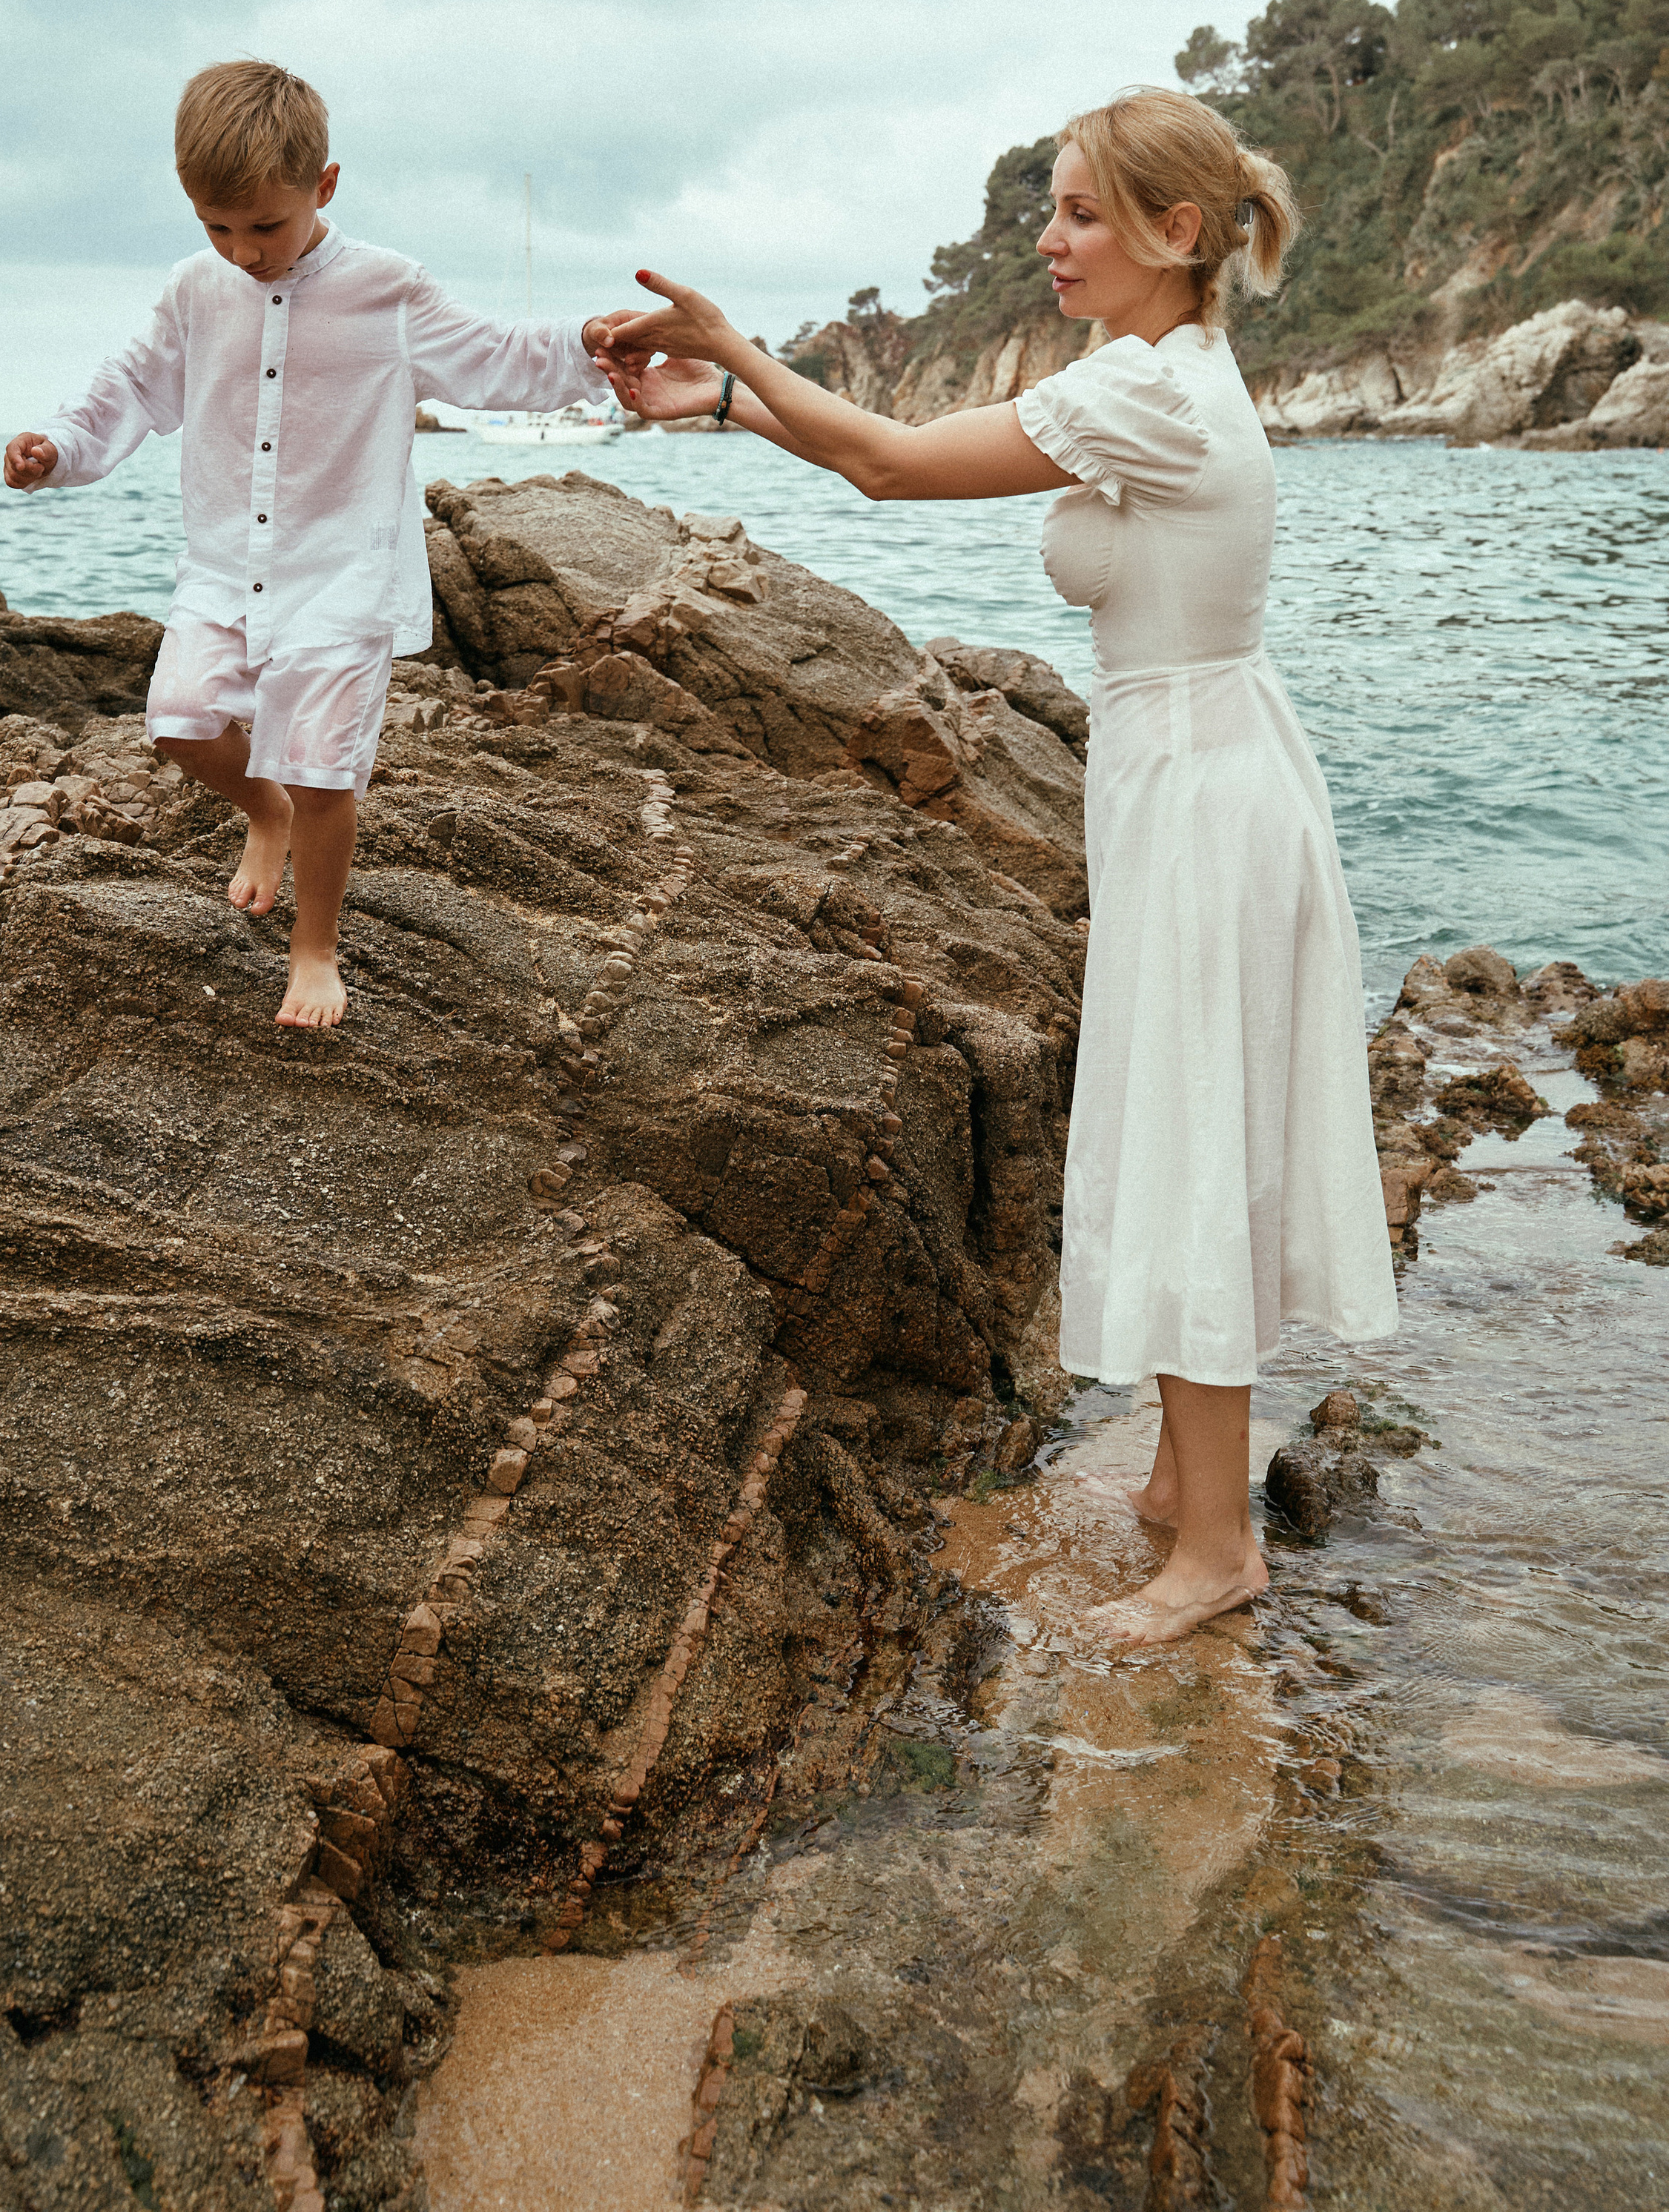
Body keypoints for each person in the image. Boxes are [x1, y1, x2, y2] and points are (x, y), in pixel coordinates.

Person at [594, 85, 1398, 1647]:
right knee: (1188, 1113)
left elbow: (890, 465)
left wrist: (734, 349)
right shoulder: (1150, 367)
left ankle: (1215, 1545)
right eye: (1050, 205)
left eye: (1079, 211)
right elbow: (886, 451)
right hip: (1194, 767)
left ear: (1174, 234)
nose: (1047, 236)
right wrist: (715, 405)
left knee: (1187, 1133)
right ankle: (1180, 1481)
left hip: (1198, 785)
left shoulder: (1146, 398)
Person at [4, 58, 616, 1030]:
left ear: (323, 187)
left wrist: (587, 345)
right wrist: (61, 448)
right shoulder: (195, 292)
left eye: (265, 226)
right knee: (180, 721)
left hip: (343, 577)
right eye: (217, 227)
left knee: (324, 768)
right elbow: (131, 388)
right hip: (223, 571)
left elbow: (495, 359)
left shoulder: (388, 290)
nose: (243, 251)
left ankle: (316, 948)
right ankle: (265, 814)